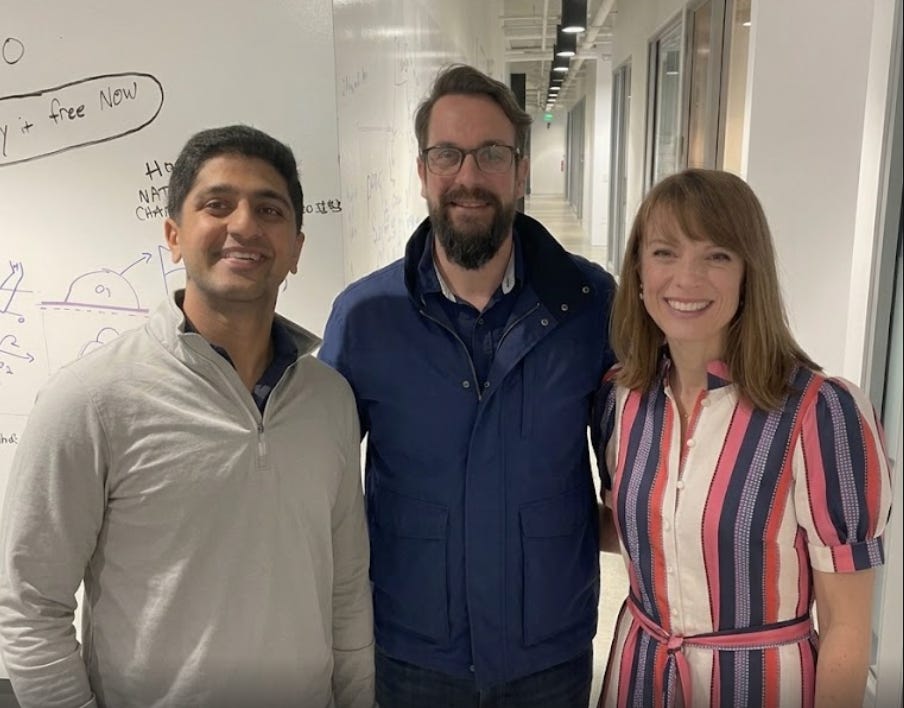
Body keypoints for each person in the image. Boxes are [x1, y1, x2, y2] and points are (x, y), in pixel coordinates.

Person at [0, 125, 375, 708]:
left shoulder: (329, 400)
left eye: (269, 209)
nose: (244, 225)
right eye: (217, 205)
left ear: (296, 248)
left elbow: (346, 590)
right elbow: (29, 605)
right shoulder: (91, 400)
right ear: (173, 236)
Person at [318, 63, 617, 707]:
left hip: (549, 648)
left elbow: (637, 463)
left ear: (521, 170)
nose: (469, 177)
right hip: (415, 648)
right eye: (447, 154)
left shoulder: (589, 304)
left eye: (492, 154)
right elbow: (322, 481)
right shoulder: (366, 317)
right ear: (422, 171)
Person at [593, 168, 893, 707]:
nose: (686, 278)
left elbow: (846, 628)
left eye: (717, 256)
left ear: (749, 276)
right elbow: (643, 531)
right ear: (638, 274)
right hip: (639, 677)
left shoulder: (820, 414)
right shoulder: (623, 398)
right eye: (664, 253)